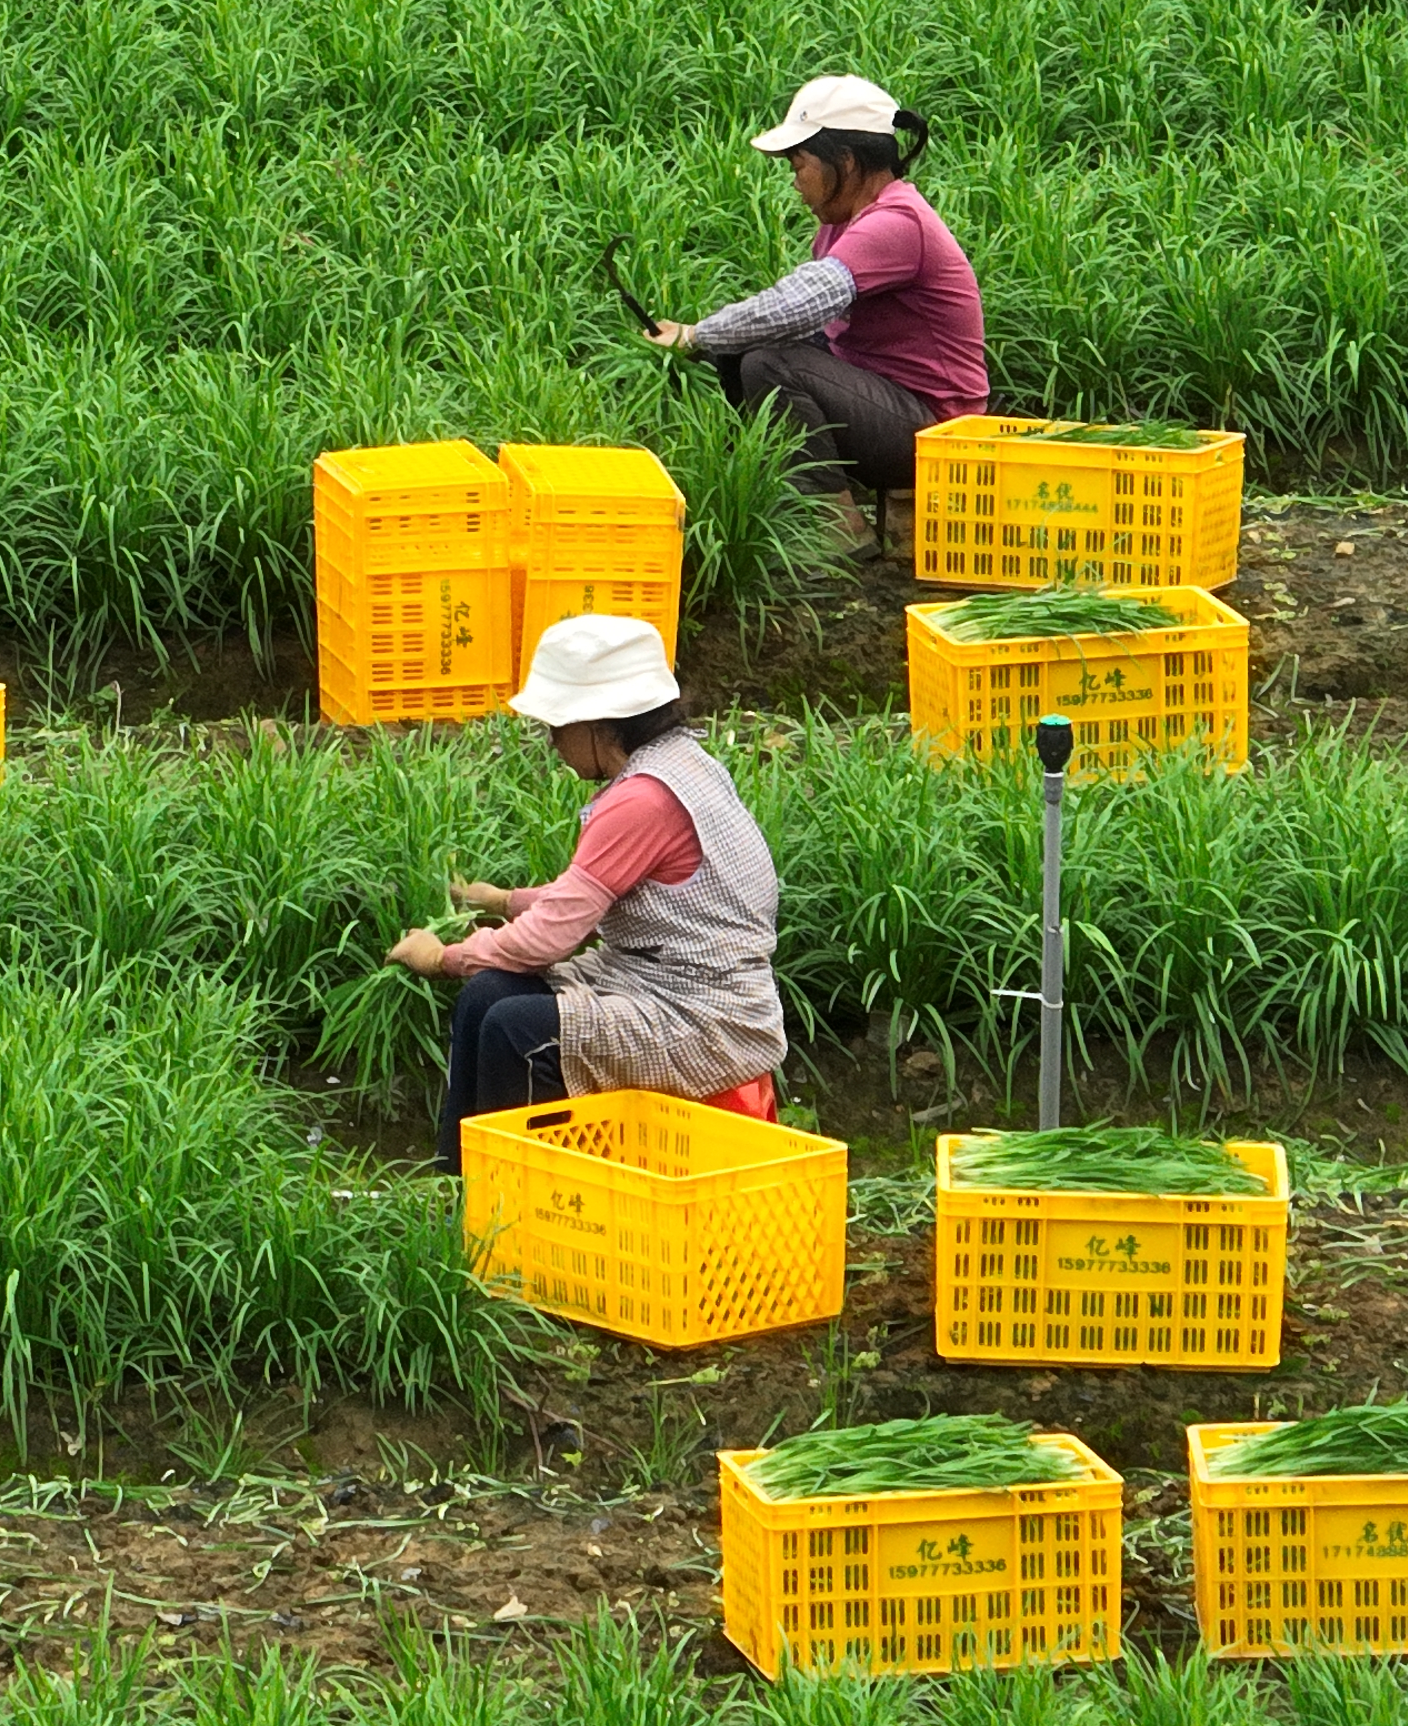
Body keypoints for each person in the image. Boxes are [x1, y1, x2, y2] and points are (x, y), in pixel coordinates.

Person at [389, 616, 788, 1172]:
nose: (553, 742)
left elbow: (551, 936)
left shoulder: (640, 802)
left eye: (557, 725)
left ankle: (514, 1203)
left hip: (704, 1013)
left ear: (599, 724)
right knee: (487, 996)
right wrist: (505, 901)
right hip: (658, 979)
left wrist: (442, 958)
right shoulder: (682, 764)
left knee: (516, 1030)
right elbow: (594, 892)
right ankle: (456, 1184)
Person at [646, 75, 984, 544]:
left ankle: (837, 528)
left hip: (939, 430)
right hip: (890, 405)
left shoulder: (896, 222)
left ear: (844, 162)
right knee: (747, 349)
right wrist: (717, 341)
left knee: (771, 362)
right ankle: (764, 492)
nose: (795, 182)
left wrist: (697, 334)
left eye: (798, 165)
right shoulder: (843, 224)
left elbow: (798, 305)